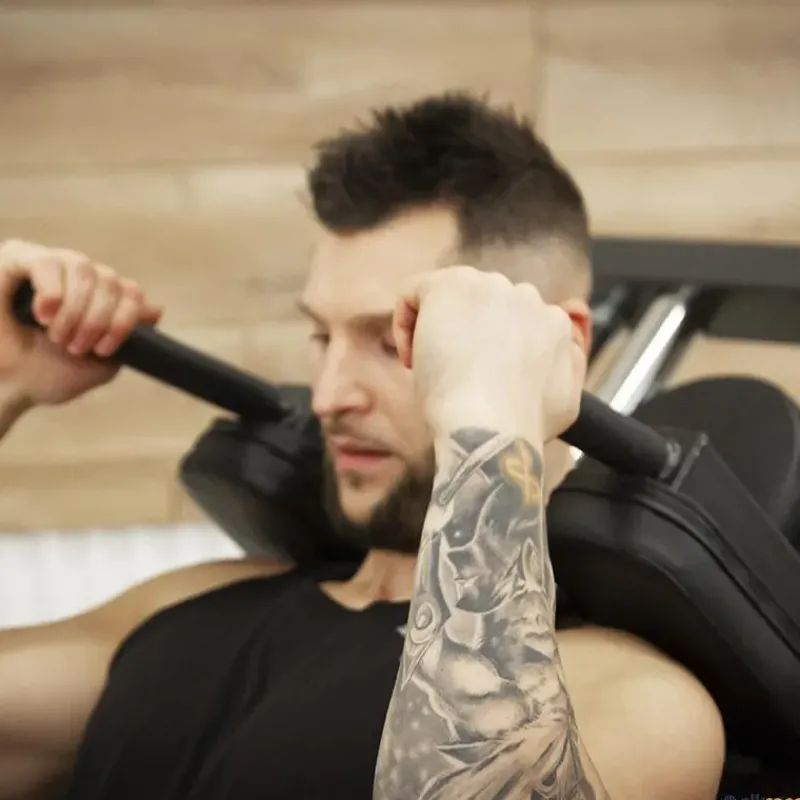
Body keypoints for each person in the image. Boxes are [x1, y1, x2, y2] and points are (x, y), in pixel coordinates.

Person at [0, 93, 724, 800]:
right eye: (323, 336)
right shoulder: (197, 605)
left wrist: (490, 418)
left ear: (557, 346)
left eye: (392, 340)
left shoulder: (630, 698)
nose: (327, 395)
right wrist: (5, 379)